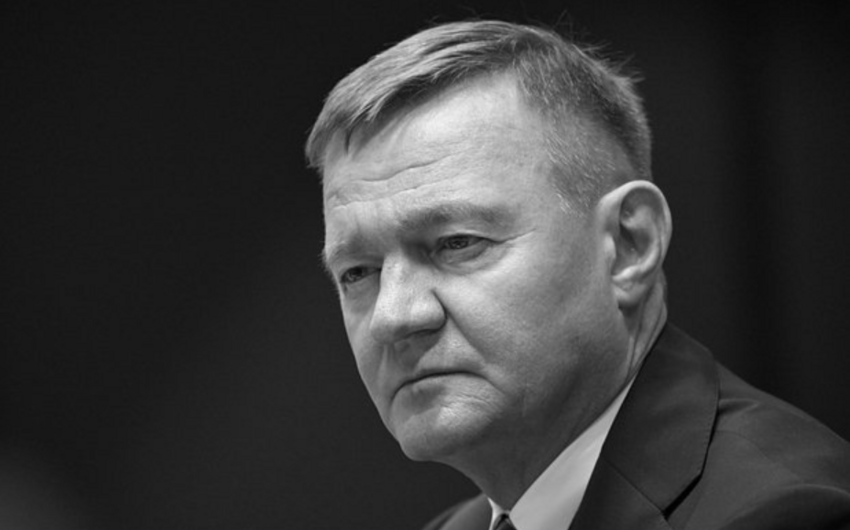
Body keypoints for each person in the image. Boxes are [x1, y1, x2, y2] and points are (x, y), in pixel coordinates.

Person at [304, 19, 850, 530]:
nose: (393, 316)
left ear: (630, 245)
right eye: (358, 272)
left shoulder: (784, 512)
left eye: (457, 243)